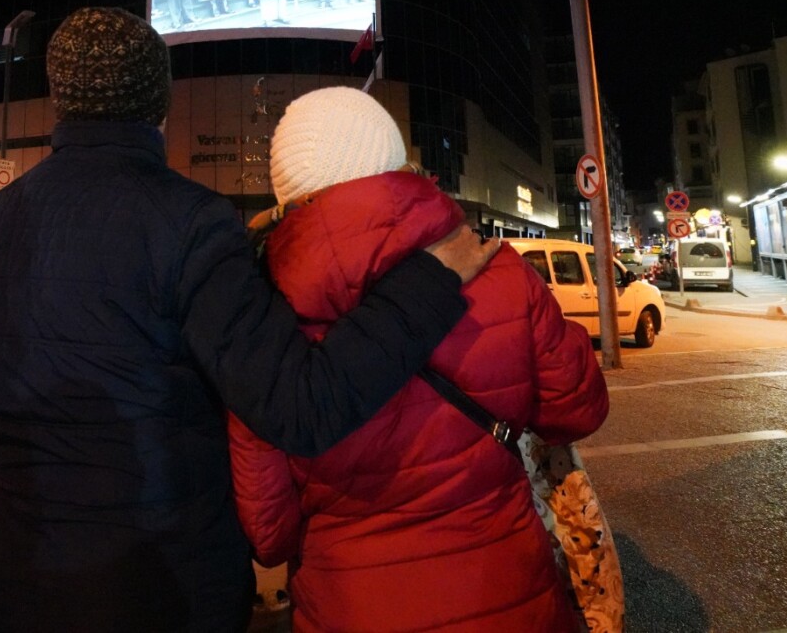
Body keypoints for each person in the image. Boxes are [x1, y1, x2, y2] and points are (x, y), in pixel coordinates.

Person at [0, 7, 499, 633]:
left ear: (58, 102)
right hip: (165, 582)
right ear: (161, 107)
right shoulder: (188, 221)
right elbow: (299, 407)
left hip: (24, 577)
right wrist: (427, 282)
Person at [229, 86, 610, 632]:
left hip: (348, 605)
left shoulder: (262, 324)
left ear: (288, 194)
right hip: (508, 595)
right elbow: (579, 412)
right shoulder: (496, 271)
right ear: (393, 161)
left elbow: (270, 534)